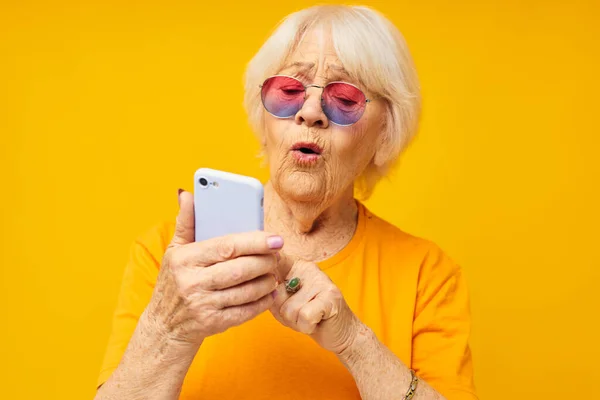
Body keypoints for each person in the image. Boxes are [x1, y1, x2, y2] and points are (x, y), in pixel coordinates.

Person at [95, 5, 477, 400]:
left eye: (345, 98)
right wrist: (169, 327)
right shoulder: (169, 259)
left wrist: (353, 340)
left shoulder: (427, 275)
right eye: (289, 91)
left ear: (386, 132)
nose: (310, 112)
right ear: (262, 116)